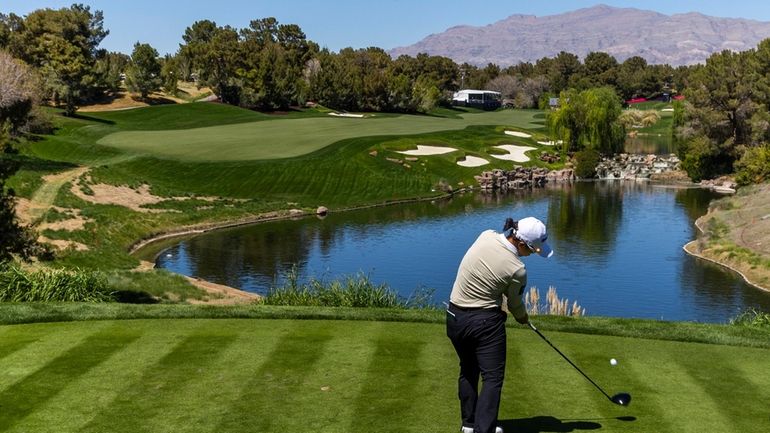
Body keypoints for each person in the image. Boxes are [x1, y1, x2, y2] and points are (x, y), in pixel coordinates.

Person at [446, 216, 553, 433]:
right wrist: (523, 318)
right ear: (521, 243)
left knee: (468, 369)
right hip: (484, 323)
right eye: (533, 250)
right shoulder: (517, 269)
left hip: (454, 317)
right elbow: (514, 304)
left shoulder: (486, 235)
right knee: (493, 378)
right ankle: (483, 430)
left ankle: (468, 425)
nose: (532, 254)